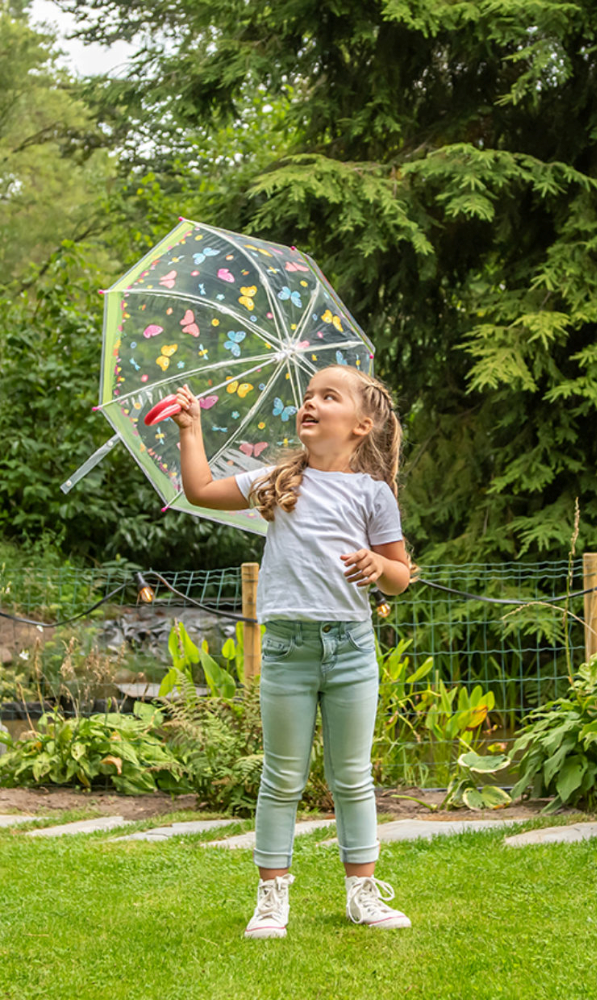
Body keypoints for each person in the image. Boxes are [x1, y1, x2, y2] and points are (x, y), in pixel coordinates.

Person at [170, 365, 411, 937]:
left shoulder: (374, 494)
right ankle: (271, 898)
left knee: (352, 776)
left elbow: (401, 574)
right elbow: (200, 489)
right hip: (286, 650)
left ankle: (362, 895)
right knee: (281, 778)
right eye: (308, 396)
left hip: (350, 650)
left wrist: (380, 567)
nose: (311, 404)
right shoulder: (276, 480)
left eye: (329, 397)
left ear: (361, 425)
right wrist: (190, 430)